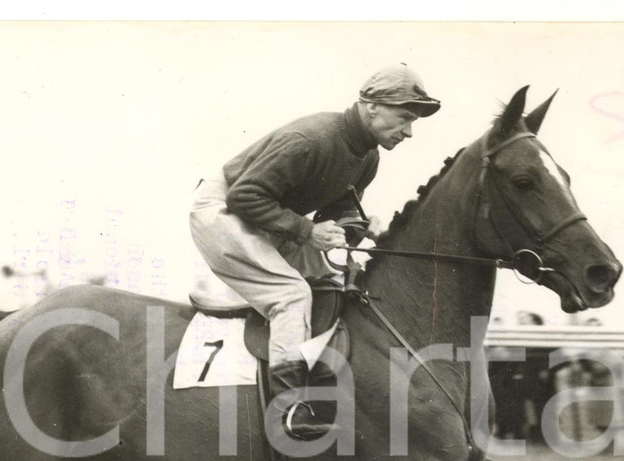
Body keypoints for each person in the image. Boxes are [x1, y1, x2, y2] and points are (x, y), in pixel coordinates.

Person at [189, 64, 441, 440]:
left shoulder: (368, 157)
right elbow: (244, 196)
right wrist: (308, 231)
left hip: (266, 216)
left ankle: (324, 384)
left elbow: (336, 214)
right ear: (372, 106)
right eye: (404, 117)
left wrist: (357, 226)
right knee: (292, 295)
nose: (408, 132)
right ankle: (288, 409)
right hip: (222, 209)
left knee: (333, 285)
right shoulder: (310, 139)